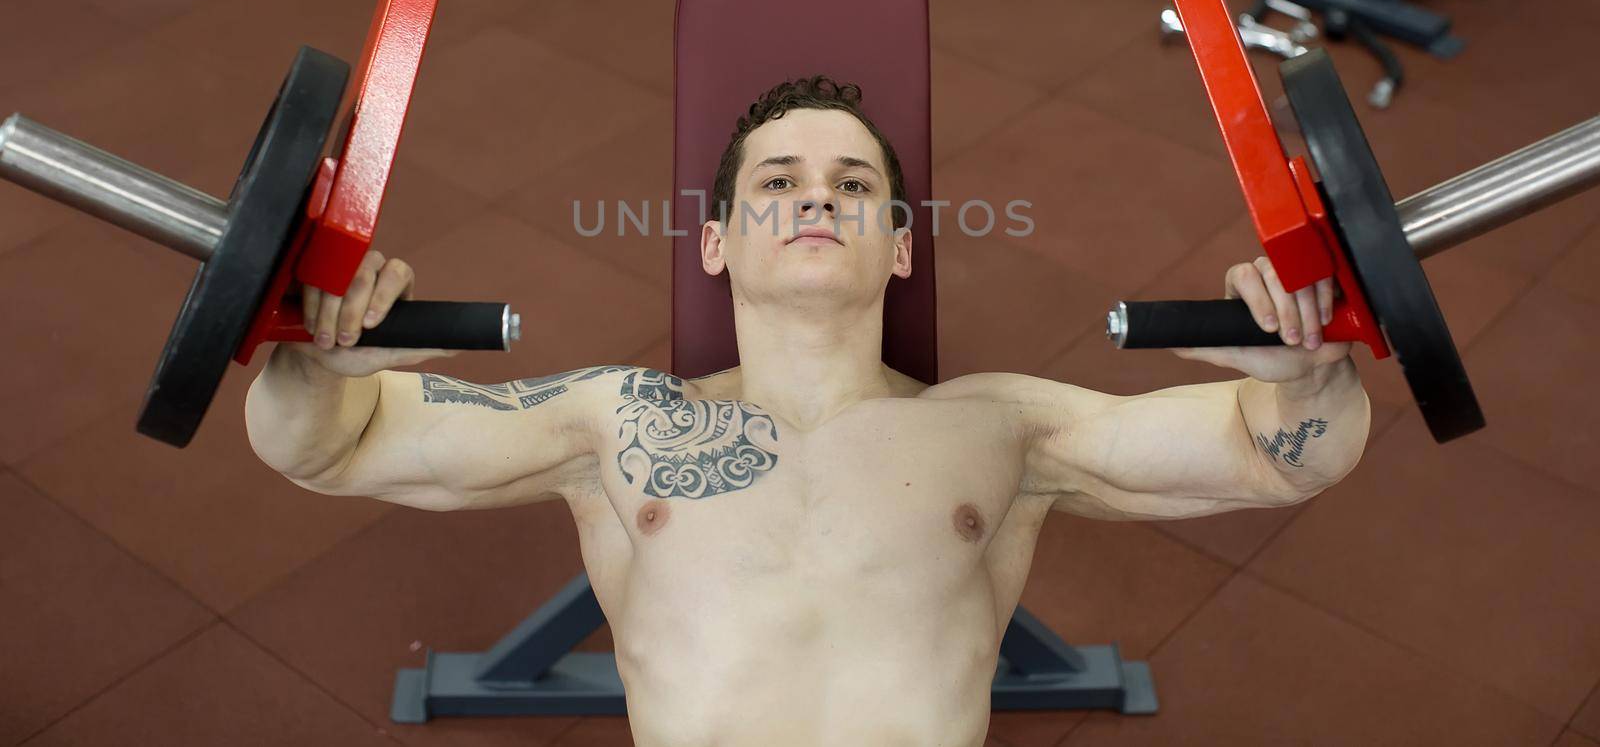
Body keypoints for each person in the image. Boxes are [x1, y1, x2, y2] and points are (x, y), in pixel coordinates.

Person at [246, 76, 1369, 747]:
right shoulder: (615, 423)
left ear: (902, 242)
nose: (817, 194)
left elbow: (1277, 458)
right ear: (718, 240)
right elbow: (326, 445)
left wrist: (1309, 373)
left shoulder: (1003, 427)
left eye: (853, 183)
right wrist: (318, 346)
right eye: (775, 180)